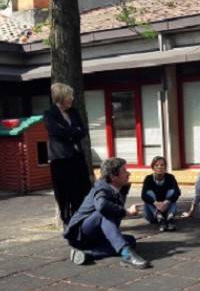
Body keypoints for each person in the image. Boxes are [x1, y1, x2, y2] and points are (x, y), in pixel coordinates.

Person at [64, 158, 150, 269]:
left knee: (130, 241)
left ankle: (89, 254)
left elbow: (115, 210)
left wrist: (123, 192)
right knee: (103, 214)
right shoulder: (101, 188)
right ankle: (127, 254)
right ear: (113, 176)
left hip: (95, 236)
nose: (129, 173)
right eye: (124, 171)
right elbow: (102, 206)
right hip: (80, 236)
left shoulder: (116, 188)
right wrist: (126, 212)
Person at [43, 83, 92, 224]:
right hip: (61, 160)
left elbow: (82, 131)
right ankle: (69, 224)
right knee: (65, 193)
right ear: (61, 97)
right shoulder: (49, 114)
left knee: (83, 190)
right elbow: (56, 132)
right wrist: (73, 132)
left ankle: (83, 221)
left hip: (77, 157)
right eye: (69, 96)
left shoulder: (74, 112)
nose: (72, 98)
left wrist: (70, 132)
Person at [141, 156, 180, 232]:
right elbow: (143, 195)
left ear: (165, 167)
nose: (160, 167)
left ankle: (170, 219)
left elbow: (177, 192)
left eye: (162, 165)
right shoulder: (148, 178)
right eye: (157, 165)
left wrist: (166, 202)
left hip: (167, 209)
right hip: (152, 213)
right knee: (148, 194)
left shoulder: (170, 177)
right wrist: (156, 203)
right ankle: (160, 219)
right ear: (153, 167)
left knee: (172, 192)